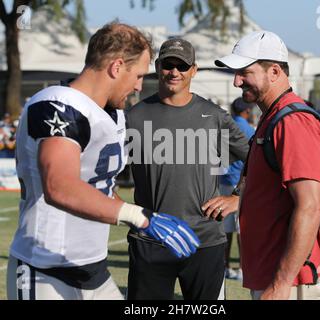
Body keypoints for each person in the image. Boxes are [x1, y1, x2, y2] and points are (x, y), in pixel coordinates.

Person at [7, 22, 199, 300]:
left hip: (94, 269)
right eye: (138, 75)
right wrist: (139, 216)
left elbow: (99, 183)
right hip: (45, 268)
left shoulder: (114, 114)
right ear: (117, 66)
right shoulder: (57, 105)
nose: (138, 86)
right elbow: (59, 186)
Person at [211, 30, 320, 300]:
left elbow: (311, 205)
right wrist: (240, 201)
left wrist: (281, 283)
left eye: (245, 72)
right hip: (278, 275)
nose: (236, 81)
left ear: (275, 72)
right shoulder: (275, 116)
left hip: (292, 280)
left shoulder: (292, 122)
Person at [125, 38, 249, 300]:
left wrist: (238, 196)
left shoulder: (213, 116)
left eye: (182, 66)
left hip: (205, 242)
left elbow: (258, 157)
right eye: (168, 65)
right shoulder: (133, 117)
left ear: (193, 70)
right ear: (158, 67)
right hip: (150, 239)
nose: (174, 72)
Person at [219, 98, 255, 280]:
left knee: (225, 228)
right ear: (247, 111)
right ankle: (243, 268)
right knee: (242, 228)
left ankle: (224, 267)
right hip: (239, 182)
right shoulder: (248, 129)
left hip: (223, 179)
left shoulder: (226, 125)